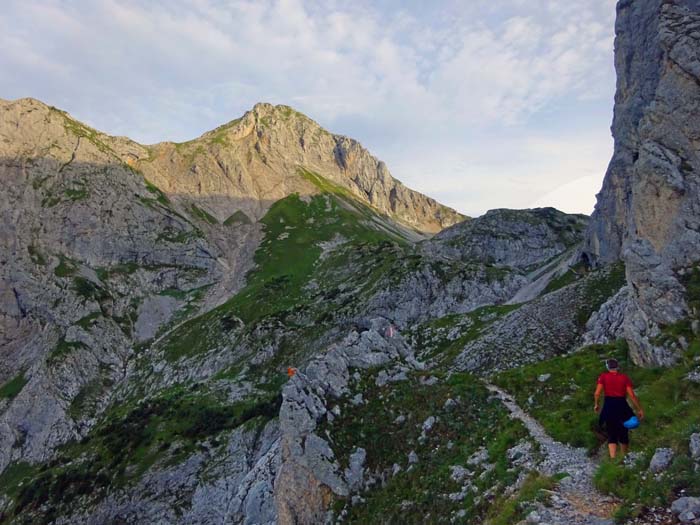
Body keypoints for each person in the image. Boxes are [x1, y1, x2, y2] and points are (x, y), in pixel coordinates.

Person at [594, 358, 644, 459]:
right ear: (617, 366)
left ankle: (613, 459)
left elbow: (597, 393)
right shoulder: (624, 378)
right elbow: (632, 395)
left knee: (611, 431)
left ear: (608, 367)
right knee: (623, 430)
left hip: (609, 405)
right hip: (622, 404)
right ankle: (624, 456)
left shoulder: (603, 377)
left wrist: (596, 404)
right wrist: (639, 409)